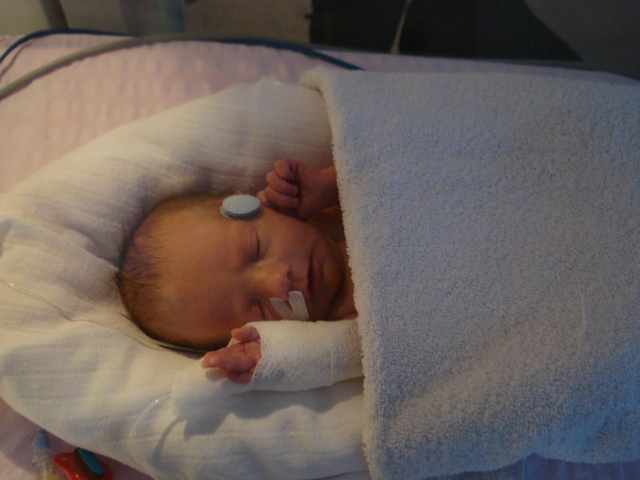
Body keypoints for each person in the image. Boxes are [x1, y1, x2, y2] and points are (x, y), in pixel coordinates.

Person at [116, 159, 356, 384]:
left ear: (252, 207)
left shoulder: (337, 202)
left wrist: (333, 183)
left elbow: (375, 163)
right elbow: (348, 355)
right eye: (258, 307)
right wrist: (276, 357)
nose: (278, 283)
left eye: (256, 249)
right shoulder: (339, 334)